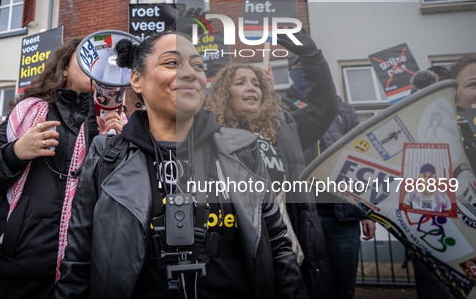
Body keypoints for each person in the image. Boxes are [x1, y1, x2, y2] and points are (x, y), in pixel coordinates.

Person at [57, 31, 309, 299]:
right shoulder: (106, 154)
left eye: (198, 65)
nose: (191, 73)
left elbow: (279, 248)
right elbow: (78, 260)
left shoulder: (244, 148)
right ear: (137, 80)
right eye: (172, 63)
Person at [0, 37, 124, 299]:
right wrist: (15, 153)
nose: (97, 68)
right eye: (88, 59)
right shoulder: (26, 114)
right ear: (63, 68)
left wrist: (111, 150)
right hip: (19, 273)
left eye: (105, 64)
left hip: (88, 272)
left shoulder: (119, 124)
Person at [205, 33, 338, 298]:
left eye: (256, 83)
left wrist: (312, 57)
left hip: (289, 244)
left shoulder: (286, 127)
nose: (251, 87)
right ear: (223, 93)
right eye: (240, 82)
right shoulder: (208, 133)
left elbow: (325, 108)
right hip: (238, 249)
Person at [281, 53, 375, 299]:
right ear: (290, 71)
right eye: (296, 65)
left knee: (343, 290)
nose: (302, 70)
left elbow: (360, 158)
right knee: (307, 288)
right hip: (302, 215)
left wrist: (367, 211)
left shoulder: (343, 109)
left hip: (342, 215)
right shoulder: (281, 107)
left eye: (306, 65)